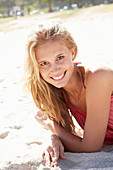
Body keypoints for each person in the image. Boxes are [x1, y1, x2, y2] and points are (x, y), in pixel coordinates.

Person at [24, 22, 113, 167]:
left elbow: (90, 148)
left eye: (60, 57)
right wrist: (53, 138)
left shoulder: (98, 76)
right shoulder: (53, 90)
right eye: (44, 63)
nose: (55, 69)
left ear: (72, 52)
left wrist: (49, 125)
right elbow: (67, 133)